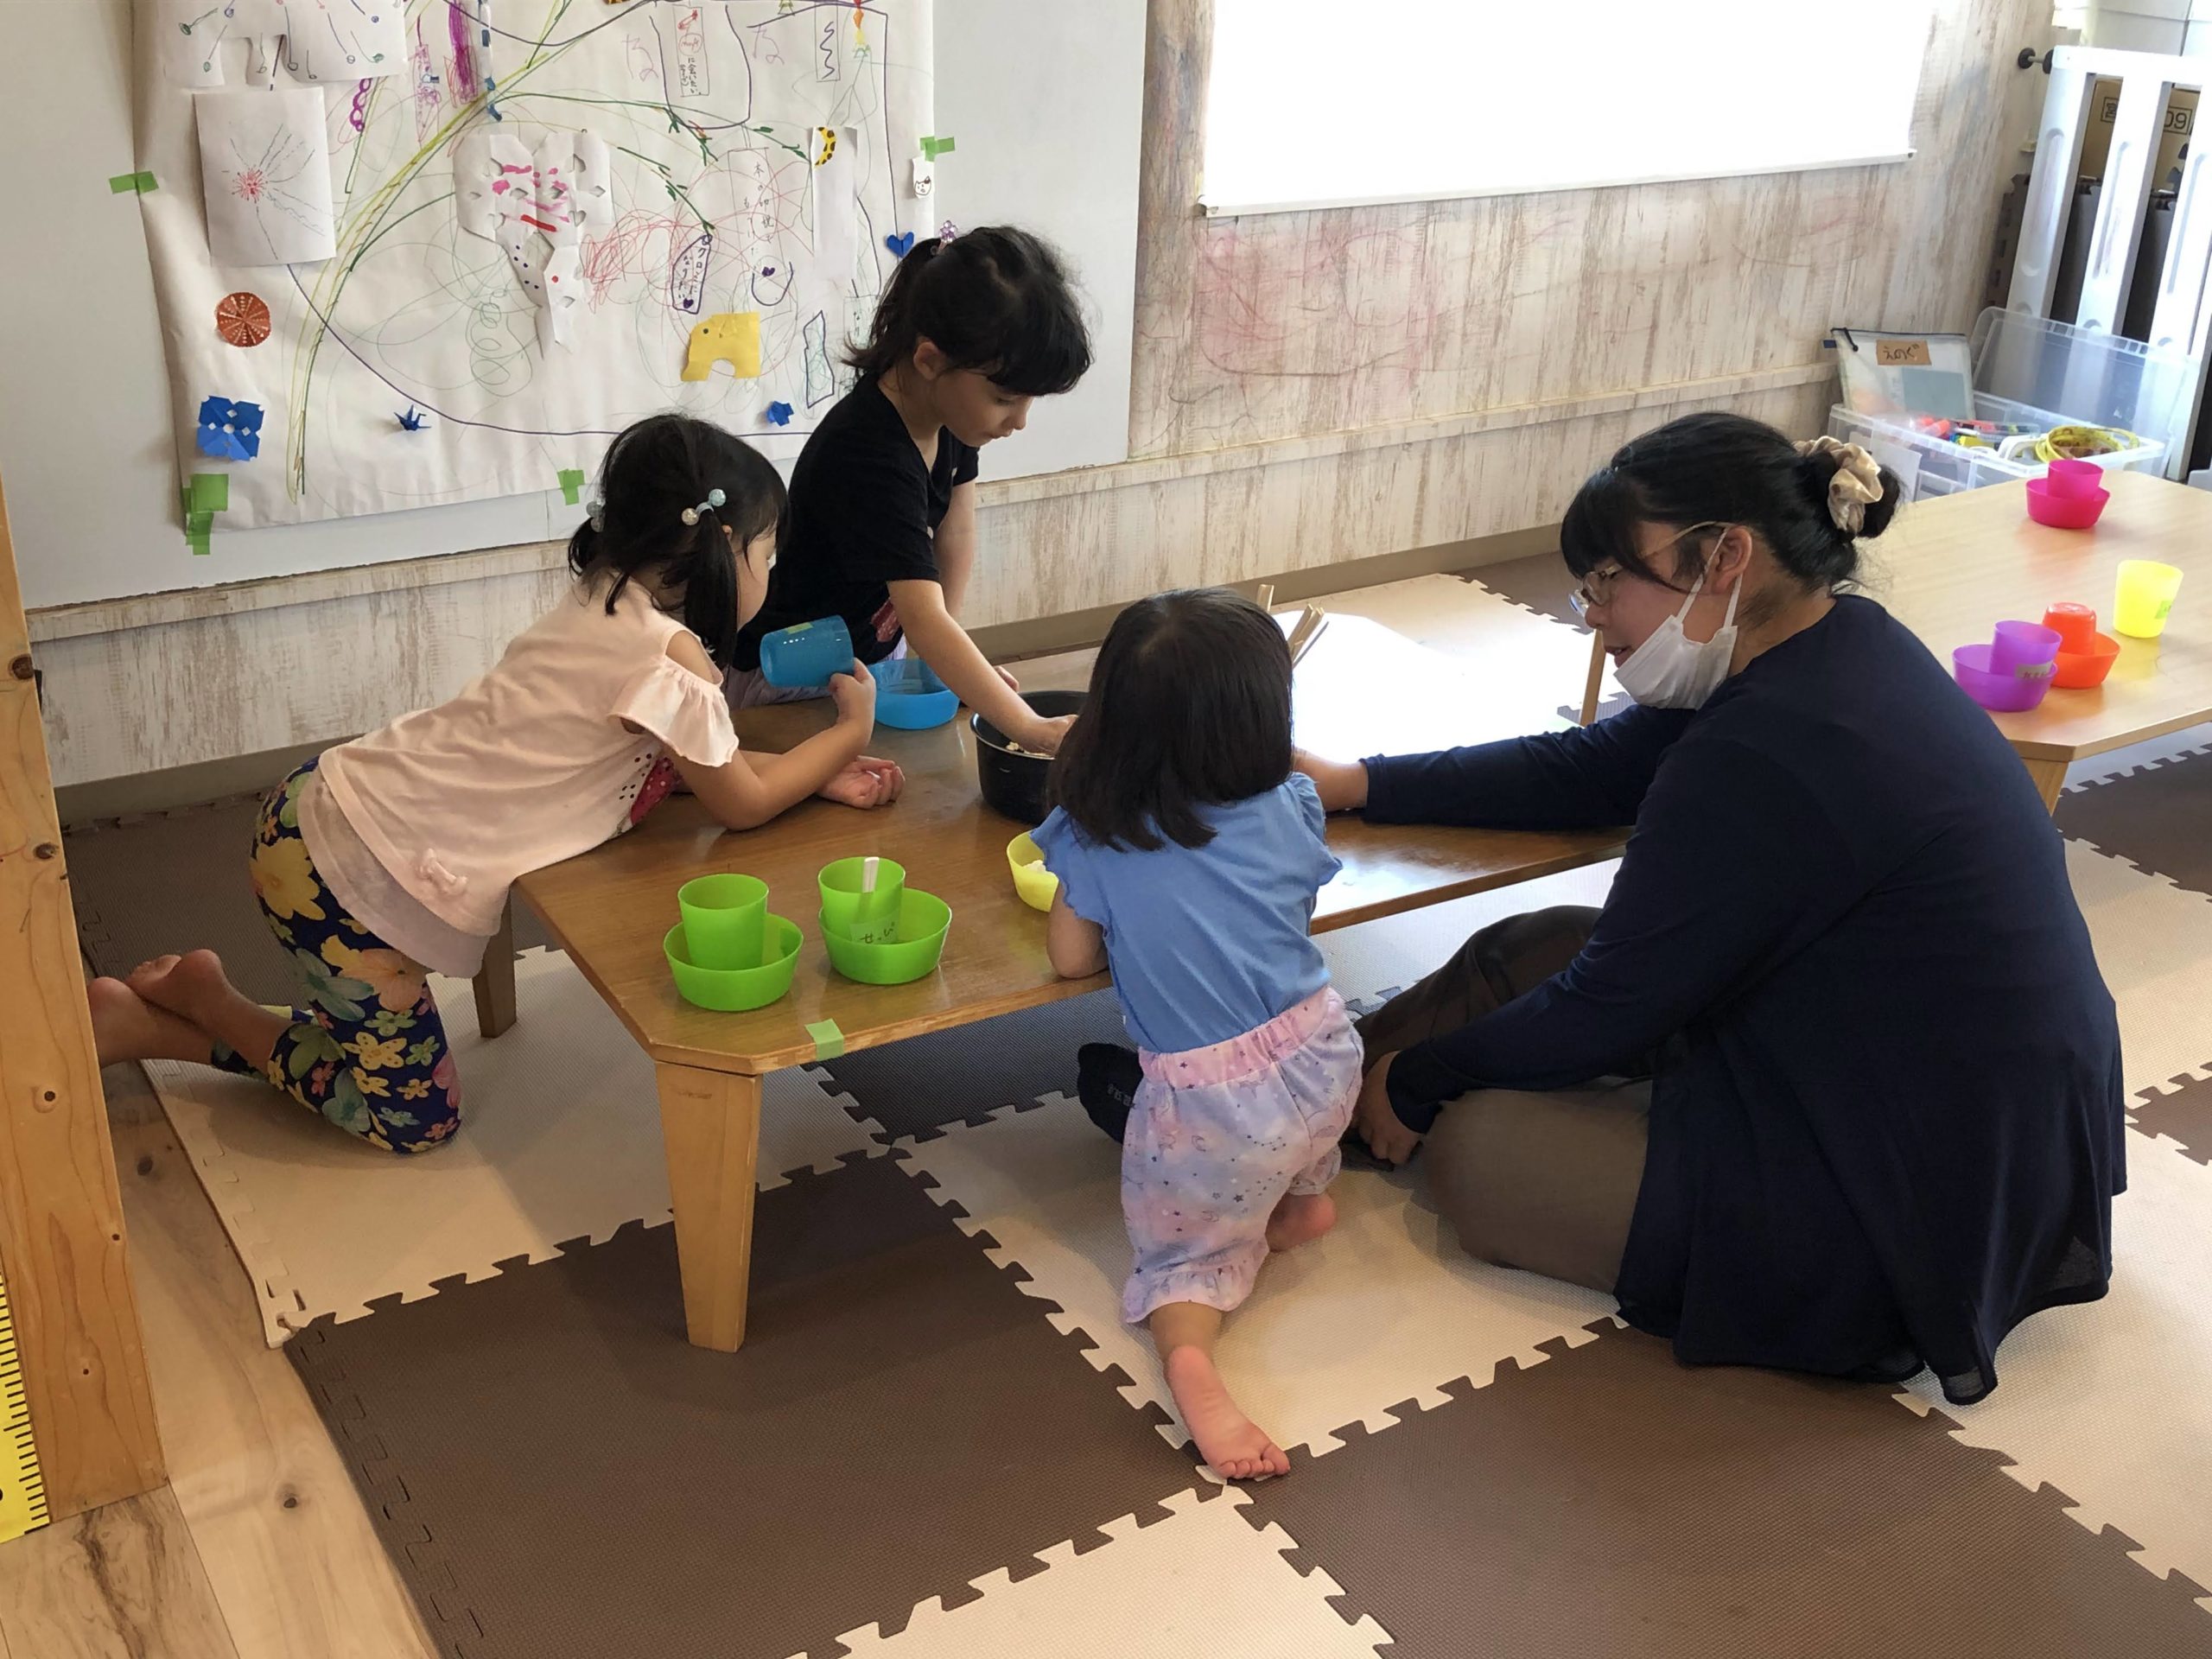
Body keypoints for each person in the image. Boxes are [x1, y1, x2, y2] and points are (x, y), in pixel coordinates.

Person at [1292, 412, 2124, 1406]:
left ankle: (1325, 1107)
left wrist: (1424, 1080)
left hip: (1907, 1176)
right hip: (1875, 1063)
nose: (1593, 613)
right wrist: (1359, 781)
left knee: (1482, 1152)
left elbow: (1613, 1004)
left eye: (1610, 580)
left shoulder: (1767, 750)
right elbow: (1591, 770)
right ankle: (1298, 1096)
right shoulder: (1826, 640)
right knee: (1528, 946)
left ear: (1725, 557)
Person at [87, 414, 904, 1153]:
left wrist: (808, 777)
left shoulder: (606, 600)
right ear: (725, 551)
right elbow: (742, 804)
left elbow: (689, 765)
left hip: (325, 810)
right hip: (348, 879)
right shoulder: (673, 661)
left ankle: (202, 1002)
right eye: (767, 553)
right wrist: (846, 735)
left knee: (374, 1048)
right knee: (414, 1122)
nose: (771, 571)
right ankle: (193, 1015)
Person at [1033, 589, 1358, 1479]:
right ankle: (1299, 1204)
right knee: (1290, 1145)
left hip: (1214, 1111)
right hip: (1326, 1054)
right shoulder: (1294, 801)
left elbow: (1069, 961)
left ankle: (1190, 1361)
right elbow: (1286, 908)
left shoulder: (1095, 837)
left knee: (1182, 1259)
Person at [726, 226, 1092, 756]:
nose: (1019, 421)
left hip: (864, 660)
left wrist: (948, 665)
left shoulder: (952, 416)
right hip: (790, 673)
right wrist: (1029, 728)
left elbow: (955, 534)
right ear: (929, 361)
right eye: (1005, 399)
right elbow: (922, 616)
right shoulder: (868, 453)